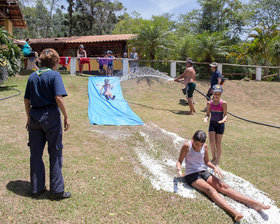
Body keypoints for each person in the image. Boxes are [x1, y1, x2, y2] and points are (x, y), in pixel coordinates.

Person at [176, 130, 270, 222]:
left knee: (224, 187)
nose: (198, 147)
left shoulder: (204, 147)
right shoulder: (187, 146)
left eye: (200, 145)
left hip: (203, 171)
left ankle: (254, 203)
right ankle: (234, 213)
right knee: (211, 190)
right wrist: (179, 170)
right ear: (192, 139)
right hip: (191, 174)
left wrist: (215, 167)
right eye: (196, 144)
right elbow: (179, 161)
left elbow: (207, 162)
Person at [24, 48, 71, 200]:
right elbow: (58, 97)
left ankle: (36, 188)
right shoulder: (54, 75)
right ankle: (56, 191)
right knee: (55, 153)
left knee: (35, 154)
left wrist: (28, 117)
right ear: (55, 63)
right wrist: (66, 116)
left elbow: (26, 100)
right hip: (50, 117)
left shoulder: (32, 76)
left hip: (34, 117)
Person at [203, 84, 227, 166]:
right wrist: (206, 118)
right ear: (212, 93)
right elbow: (207, 114)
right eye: (215, 94)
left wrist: (223, 120)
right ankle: (213, 157)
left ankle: (217, 161)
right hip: (212, 123)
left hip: (220, 124)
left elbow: (225, 115)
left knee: (218, 143)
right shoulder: (209, 103)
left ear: (221, 94)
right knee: (212, 142)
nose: (217, 96)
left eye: (219, 94)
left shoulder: (223, 103)